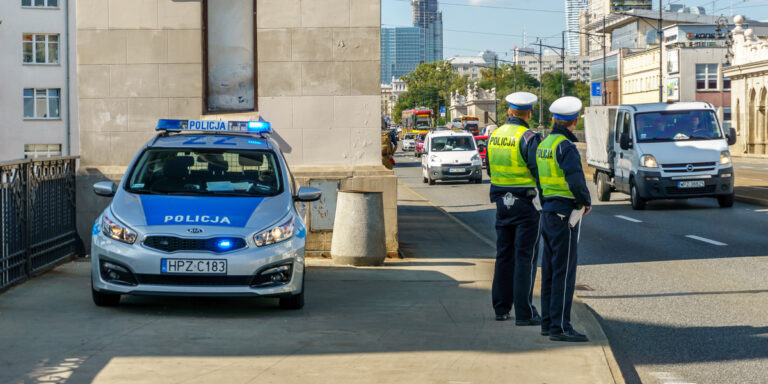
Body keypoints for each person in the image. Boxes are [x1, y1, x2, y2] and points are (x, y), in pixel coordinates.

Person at [535, 96, 592, 342]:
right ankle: (560, 327)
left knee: (549, 270)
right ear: (575, 120)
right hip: (565, 214)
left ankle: (548, 322)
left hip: (548, 210)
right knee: (564, 272)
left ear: (554, 119)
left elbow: (539, 179)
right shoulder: (565, 147)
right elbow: (576, 180)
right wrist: (585, 202)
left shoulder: (544, 143)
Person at [487, 92, 543, 325]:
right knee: (525, 257)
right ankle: (524, 312)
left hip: (501, 202)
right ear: (528, 113)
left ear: (509, 111)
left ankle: (501, 308)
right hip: (525, 203)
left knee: (504, 255)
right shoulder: (529, 137)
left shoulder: (495, 135)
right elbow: (537, 170)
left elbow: (490, 170)